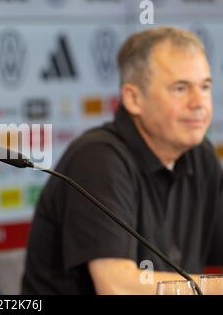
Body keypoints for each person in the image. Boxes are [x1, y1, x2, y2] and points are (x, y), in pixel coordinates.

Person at [22, 26, 223, 294]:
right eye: (180, 88)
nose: (199, 102)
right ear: (133, 98)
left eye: (205, 86)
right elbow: (117, 286)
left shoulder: (200, 156)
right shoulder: (98, 158)